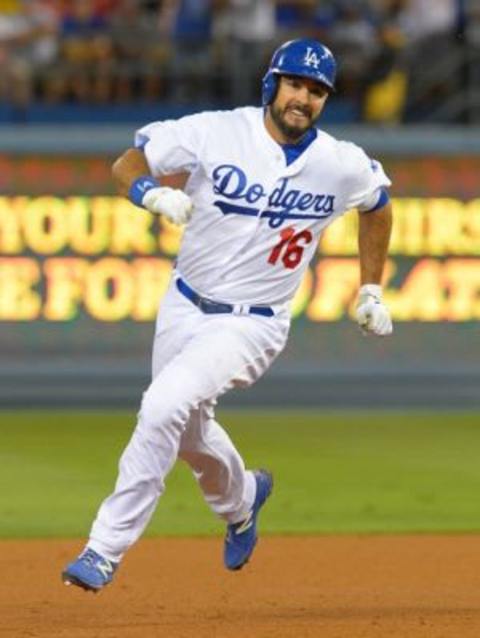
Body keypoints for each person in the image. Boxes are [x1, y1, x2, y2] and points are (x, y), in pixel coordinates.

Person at [62, 38, 393, 592]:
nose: (303, 98)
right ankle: (241, 501)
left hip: (254, 322)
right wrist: (148, 194)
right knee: (188, 432)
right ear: (272, 85)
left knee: (163, 404)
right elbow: (129, 161)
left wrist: (371, 290)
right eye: (294, 84)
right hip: (184, 303)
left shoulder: (339, 163)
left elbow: (378, 205)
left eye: (316, 91)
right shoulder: (217, 131)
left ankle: (103, 548)